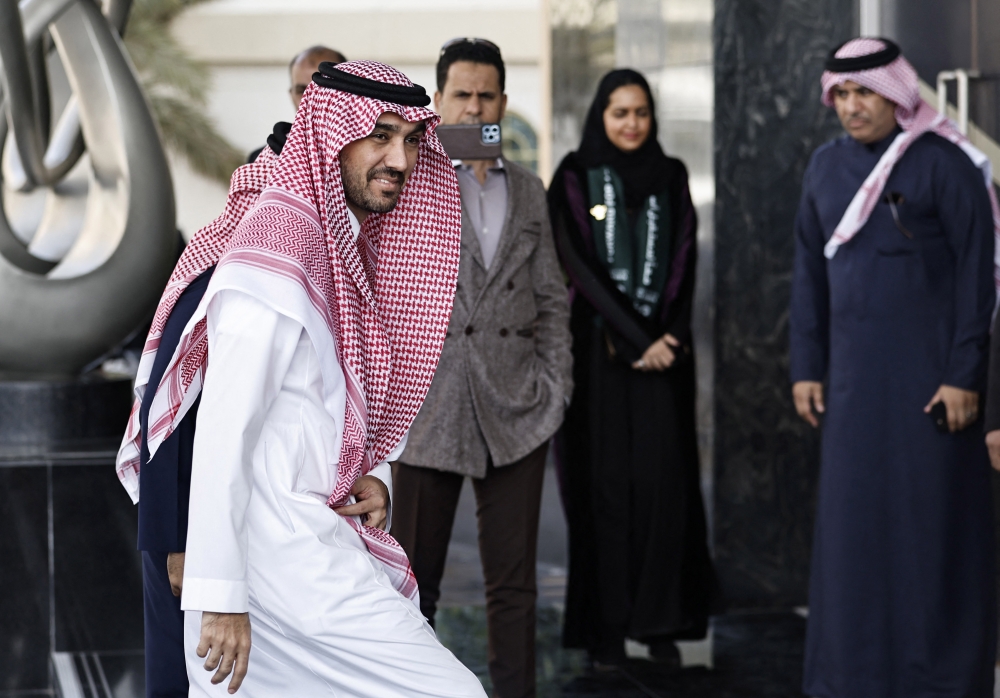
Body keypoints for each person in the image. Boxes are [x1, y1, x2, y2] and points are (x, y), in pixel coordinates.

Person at [117, 60, 486, 697]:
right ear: (331, 137)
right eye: (381, 136)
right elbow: (224, 432)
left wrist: (377, 475)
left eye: (412, 141)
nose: (400, 159)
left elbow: (327, 405)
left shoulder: (332, 242)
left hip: (309, 542)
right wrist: (222, 594)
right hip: (277, 559)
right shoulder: (279, 249)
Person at [790, 37, 999, 697]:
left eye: (866, 93)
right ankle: (849, 676)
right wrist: (807, 365)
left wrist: (966, 375)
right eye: (842, 95)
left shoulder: (945, 164)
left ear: (899, 92)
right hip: (851, 391)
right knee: (854, 538)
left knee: (930, 535)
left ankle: (938, 678)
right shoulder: (824, 169)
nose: (853, 107)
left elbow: (981, 280)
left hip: (932, 391)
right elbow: (807, 276)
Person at [391, 39, 573, 698]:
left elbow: (552, 299)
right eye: (462, 95)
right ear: (438, 103)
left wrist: (554, 390)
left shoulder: (527, 189)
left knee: (514, 586)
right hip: (428, 411)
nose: (475, 105)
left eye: (486, 95)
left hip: (517, 410)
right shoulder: (407, 183)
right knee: (412, 586)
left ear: (502, 101)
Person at [546, 69, 714, 667]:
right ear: (601, 115)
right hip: (599, 364)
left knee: (663, 490)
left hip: (663, 362)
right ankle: (608, 629)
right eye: (620, 112)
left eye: (641, 112)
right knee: (605, 492)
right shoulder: (572, 174)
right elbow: (577, 266)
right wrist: (637, 336)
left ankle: (660, 621)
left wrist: (664, 335)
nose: (632, 123)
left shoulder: (671, 175)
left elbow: (686, 257)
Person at [119, 120, 289, 698]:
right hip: (184, 526)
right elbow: (164, 413)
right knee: (178, 678)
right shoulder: (225, 268)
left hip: (234, 521)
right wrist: (175, 542)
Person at [247, 45, 346, 164]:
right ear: (291, 95)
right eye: (301, 91)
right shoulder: (262, 160)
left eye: (322, 89)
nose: (310, 99)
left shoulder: (365, 156)